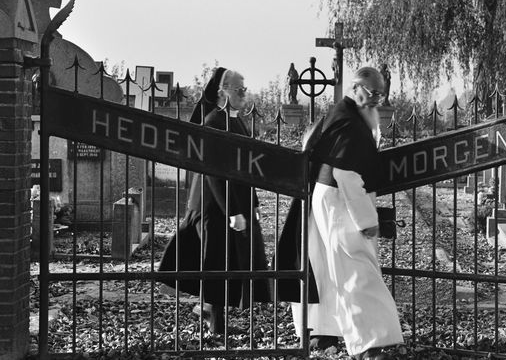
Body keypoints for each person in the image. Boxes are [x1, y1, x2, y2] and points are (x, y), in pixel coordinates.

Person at [278, 67, 404, 360]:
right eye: (372, 93)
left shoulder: (348, 114)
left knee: (333, 269)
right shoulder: (349, 121)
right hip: (339, 200)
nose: (376, 100)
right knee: (356, 270)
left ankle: (328, 331)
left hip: (333, 198)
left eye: (381, 94)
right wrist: (368, 222)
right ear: (357, 87)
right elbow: (347, 175)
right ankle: (370, 346)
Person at [158, 67, 271, 334]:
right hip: (214, 205)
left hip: (231, 202)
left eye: (245, 90)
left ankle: (212, 315)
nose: (244, 95)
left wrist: (251, 204)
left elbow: (246, 166)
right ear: (223, 91)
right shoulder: (213, 121)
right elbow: (214, 172)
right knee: (216, 262)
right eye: (239, 90)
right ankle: (214, 323)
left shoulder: (235, 119)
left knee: (226, 261)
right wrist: (232, 210)